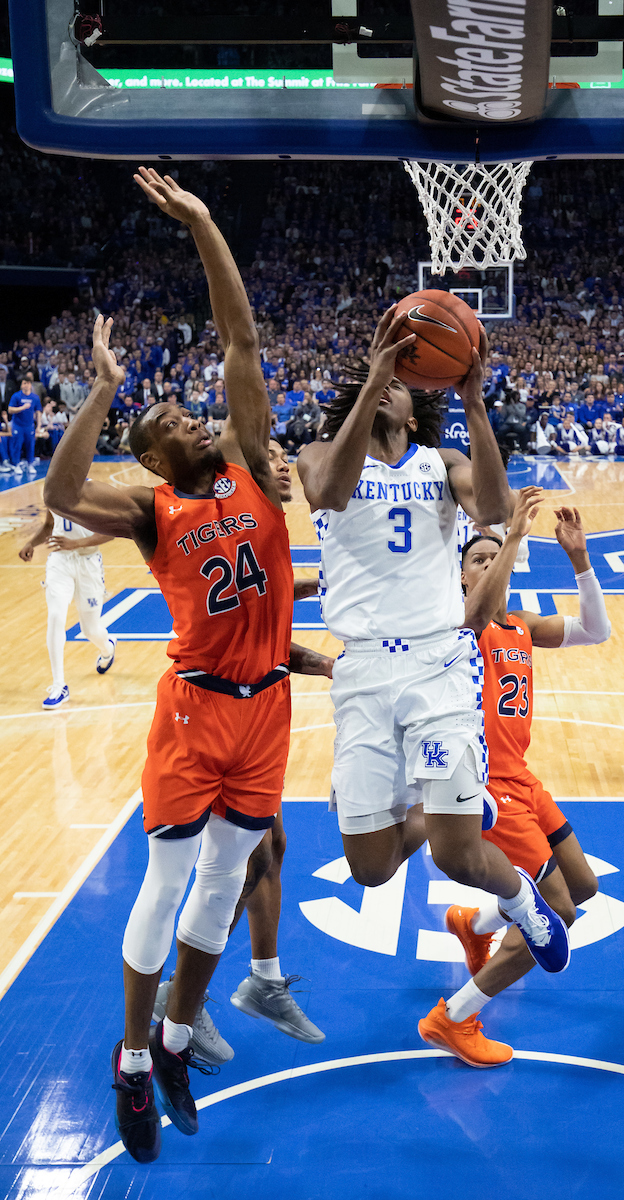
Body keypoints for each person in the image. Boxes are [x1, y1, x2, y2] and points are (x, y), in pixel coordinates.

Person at [44, 169, 296, 1165]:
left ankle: (182, 1039)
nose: (190, 420)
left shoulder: (246, 457)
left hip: (267, 706)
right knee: (164, 881)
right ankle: (135, 1055)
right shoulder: (154, 510)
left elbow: (238, 339)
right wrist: (103, 392)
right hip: (194, 711)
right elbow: (64, 485)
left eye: (188, 416)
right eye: (168, 427)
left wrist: (204, 225)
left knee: (228, 874)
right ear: (150, 457)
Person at [296, 306, 570, 984]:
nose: (382, 382)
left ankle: (522, 903)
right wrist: (374, 377)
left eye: (392, 383)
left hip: (436, 666)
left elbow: (500, 512)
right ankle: (438, 800)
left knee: (456, 858)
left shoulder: (442, 463)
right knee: (371, 868)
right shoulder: (317, 458)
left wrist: (474, 404)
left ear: (415, 413)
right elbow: (329, 491)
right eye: (371, 379)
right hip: (361, 672)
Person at [152, 435, 332, 1063]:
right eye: (272, 460)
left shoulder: (264, 539)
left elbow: (277, 616)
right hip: (217, 716)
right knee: (241, 867)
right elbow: (265, 644)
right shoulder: (233, 525)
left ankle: (261, 977)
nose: (283, 467)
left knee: (271, 849)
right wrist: (334, 665)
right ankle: (183, 998)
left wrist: (318, 591)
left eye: (287, 460)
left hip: (257, 714)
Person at [419, 489, 611, 1065]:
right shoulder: (458, 623)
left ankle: (473, 923)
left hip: (524, 778)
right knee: (557, 917)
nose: (490, 562)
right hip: (489, 788)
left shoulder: (521, 623)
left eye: (496, 555)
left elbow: (596, 630)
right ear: (458, 577)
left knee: (583, 886)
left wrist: (579, 561)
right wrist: (514, 537)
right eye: (478, 558)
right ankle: (453, 1018)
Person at [18, 507, 117, 708]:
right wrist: (31, 543)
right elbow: (49, 525)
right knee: (56, 616)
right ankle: (59, 685)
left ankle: (108, 648)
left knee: (89, 630)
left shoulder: (94, 493)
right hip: (59, 561)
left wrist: (76, 543)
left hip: (88, 563)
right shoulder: (52, 489)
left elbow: (111, 532)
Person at [9, 376, 42, 475]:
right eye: (24, 383)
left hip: (29, 425)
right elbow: (10, 410)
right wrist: (22, 408)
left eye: (27, 383)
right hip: (18, 425)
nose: (26, 385)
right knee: (17, 445)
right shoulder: (16, 396)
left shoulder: (35, 398)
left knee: (30, 445)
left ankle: (30, 464)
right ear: (21, 385)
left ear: (30, 385)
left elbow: (38, 411)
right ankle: (16, 465)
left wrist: (39, 425)